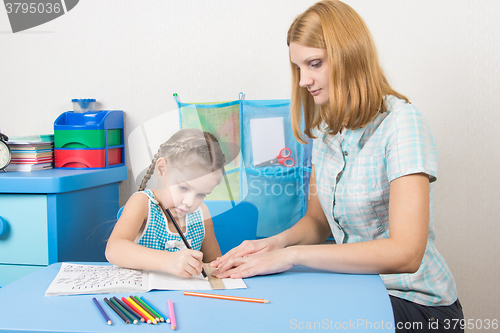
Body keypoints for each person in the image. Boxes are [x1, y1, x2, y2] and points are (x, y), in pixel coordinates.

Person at [211, 1, 464, 331]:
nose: (303, 80)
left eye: (314, 64)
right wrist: (275, 244)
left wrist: (291, 256)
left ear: (350, 56)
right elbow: (318, 221)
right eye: (298, 67)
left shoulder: (403, 124)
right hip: (359, 286)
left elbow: (406, 253)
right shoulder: (329, 132)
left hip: (417, 303)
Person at [106, 128, 224, 278]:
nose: (189, 202)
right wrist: (168, 260)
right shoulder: (142, 203)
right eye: (183, 187)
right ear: (162, 169)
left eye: (201, 194)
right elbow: (114, 249)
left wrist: (225, 265)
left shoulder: (202, 213)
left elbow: (213, 264)